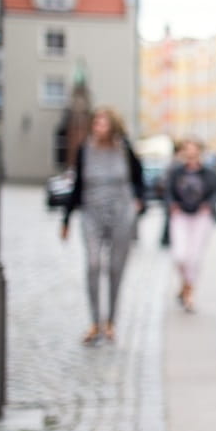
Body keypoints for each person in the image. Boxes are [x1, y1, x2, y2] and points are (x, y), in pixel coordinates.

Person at [60, 106, 146, 345]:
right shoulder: (85, 150)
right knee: (93, 264)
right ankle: (95, 322)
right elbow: (76, 185)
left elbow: (139, 179)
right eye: (95, 122)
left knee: (116, 268)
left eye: (103, 122)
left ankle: (110, 322)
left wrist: (140, 202)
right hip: (92, 213)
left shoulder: (124, 149)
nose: (98, 126)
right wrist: (66, 218)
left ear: (113, 126)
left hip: (121, 213)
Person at [166, 138, 216, 313]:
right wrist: (171, 205)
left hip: (200, 217)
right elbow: (167, 191)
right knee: (180, 255)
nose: (190, 153)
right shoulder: (176, 172)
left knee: (194, 257)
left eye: (194, 149)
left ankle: (189, 291)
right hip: (181, 215)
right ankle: (186, 284)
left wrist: (209, 205)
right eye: (187, 149)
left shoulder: (208, 172)